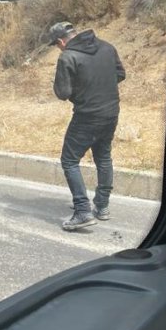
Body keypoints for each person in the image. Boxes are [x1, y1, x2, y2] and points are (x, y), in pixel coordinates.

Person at [48, 22, 126, 231]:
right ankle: (102, 207)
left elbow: (62, 93)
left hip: (87, 116)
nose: (59, 49)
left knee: (69, 160)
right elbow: (120, 74)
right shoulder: (107, 47)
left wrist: (83, 92)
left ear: (61, 41)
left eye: (57, 45)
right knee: (103, 156)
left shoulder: (67, 57)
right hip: (111, 112)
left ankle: (82, 211)